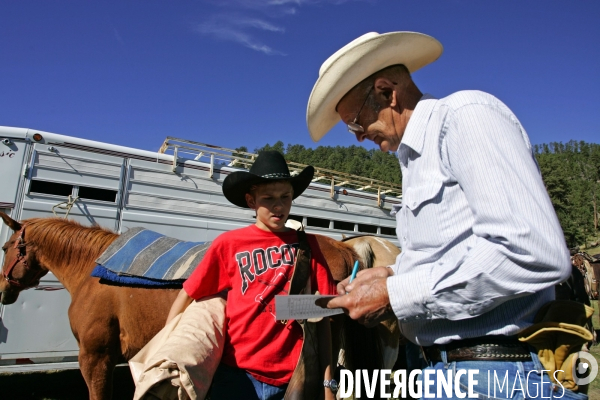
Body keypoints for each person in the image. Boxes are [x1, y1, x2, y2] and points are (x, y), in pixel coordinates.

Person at [309, 32, 579, 398]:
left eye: (356, 122)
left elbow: (531, 252)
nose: (357, 137)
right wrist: (390, 274)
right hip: (441, 371)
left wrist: (394, 293)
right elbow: (452, 253)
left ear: (387, 92)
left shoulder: (465, 118)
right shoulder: (414, 160)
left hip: (494, 374)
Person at [166, 151, 337, 400]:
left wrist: (327, 384)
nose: (278, 206)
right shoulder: (229, 244)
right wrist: (167, 352)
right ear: (251, 200)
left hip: (291, 378)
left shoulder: (309, 246)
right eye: (268, 198)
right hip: (236, 374)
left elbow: (324, 317)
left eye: (285, 197)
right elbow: (188, 293)